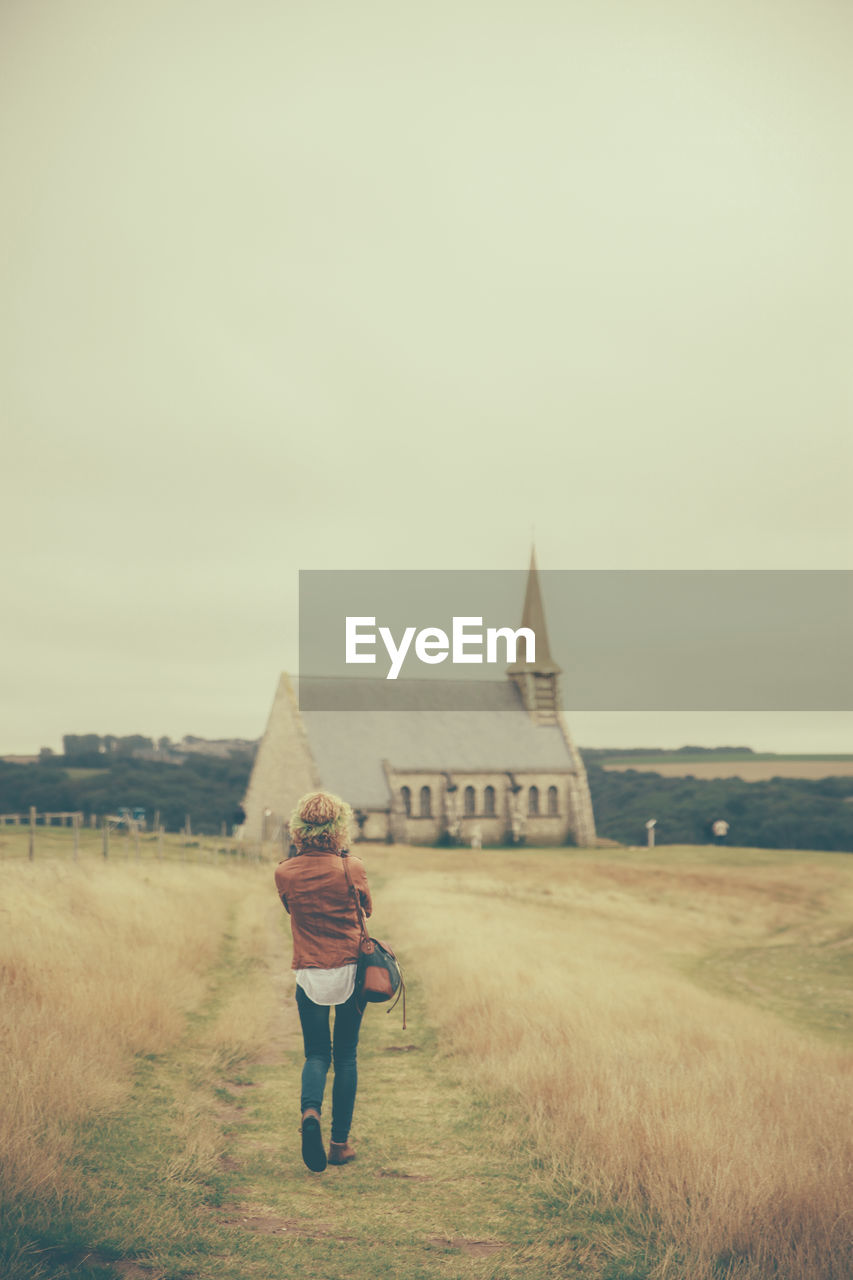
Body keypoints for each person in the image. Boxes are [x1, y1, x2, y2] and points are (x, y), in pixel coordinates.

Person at [274, 790, 373, 1173]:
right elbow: (366, 909)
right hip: (350, 968)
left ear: (298, 828)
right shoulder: (353, 868)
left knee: (316, 1053)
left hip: (309, 970)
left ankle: (310, 1112)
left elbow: (289, 908)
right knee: (346, 1055)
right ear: (340, 828)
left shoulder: (284, 871)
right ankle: (339, 1144)